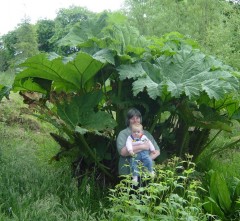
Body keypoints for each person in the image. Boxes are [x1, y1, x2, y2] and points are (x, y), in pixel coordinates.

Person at [116, 108, 160, 181]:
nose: (135, 120)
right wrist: (142, 146)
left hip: (146, 172)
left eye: (137, 118)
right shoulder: (123, 134)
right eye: (132, 118)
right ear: (128, 120)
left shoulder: (146, 134)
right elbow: (123, 152)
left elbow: (157, 151)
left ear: (140, 119)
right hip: (128, 173)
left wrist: (145, 160)